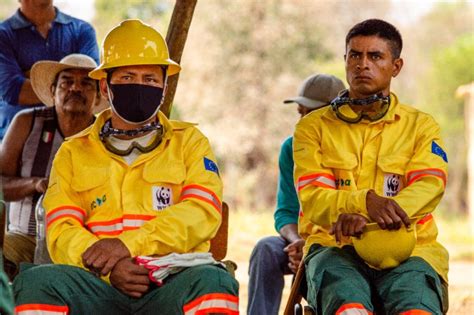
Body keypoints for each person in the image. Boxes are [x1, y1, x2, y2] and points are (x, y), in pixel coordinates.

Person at [13, 19, 239, 314]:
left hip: (170, 281)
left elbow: (202, 211)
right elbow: (61, 229)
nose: (140, 87)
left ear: (163, 87)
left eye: (150, 80)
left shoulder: (190, 142)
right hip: (97, 284)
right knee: (34, 284)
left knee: (214, 283)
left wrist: (128, 246)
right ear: (106, 87)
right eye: (128, 77)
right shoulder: (72, 152)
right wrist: (111, 268)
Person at [293, 19, 449, 314]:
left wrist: (369, 219)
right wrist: (363, 202)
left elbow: (430, 186)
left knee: (416, 308)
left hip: (413, 253)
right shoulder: (311, 127)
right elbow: (313, 197)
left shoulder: (421, 126)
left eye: (375, 56)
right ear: (345, 61)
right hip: (335, 249)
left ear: (396, 66)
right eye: (355, 55)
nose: (363, 64)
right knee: (348, 306)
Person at [0, 53, 106, 279]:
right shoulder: (26, 122)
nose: (75, 88)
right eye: (67, 81)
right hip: (24, 239)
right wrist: (36, 184)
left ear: (98, 96)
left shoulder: (106, 136)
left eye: (86, 83)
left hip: (84, 243)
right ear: (52, 91)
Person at [247, 74, 345, 315]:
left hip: (340, 245)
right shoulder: (292, 147)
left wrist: (311, 246)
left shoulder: (350, 147)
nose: (302, 121)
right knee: (266, 250)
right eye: (300, 112)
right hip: (302, 241)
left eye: (309, 113)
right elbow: (286, 211)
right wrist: (295, 242)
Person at [0, 0, 99, 140]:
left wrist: (32, 77)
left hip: (74, 137)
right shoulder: (3, 35)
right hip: (18, 141)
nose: (74, 87)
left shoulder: (81, 30)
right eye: (64, 82)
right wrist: (67, 82)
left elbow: (92, 81)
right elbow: (13, 90)